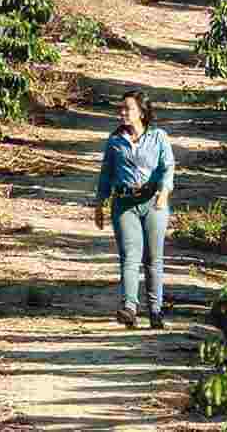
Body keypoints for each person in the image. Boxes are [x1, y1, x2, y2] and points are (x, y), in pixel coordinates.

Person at [93, 88, 174, 329]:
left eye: (127, 108)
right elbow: (106, 174)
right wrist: (99, 204)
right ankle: (129, 307)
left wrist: (163, 193)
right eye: (122, 108)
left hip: (153, 203)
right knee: (129, 257)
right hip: (124, 204)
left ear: (141, 112)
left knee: (153, 259)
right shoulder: (115, 141)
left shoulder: (158, 137)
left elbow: (167, 167)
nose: (122, 112)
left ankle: (156, 311)